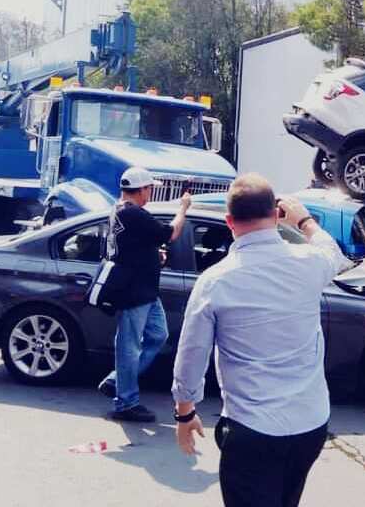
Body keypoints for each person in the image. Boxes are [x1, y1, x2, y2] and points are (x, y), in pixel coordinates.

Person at [172, 174, 348, 507]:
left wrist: (184, 413)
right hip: (310, 424)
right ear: (277, 214)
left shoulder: (216, 281)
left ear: (229, 222)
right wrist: (305, 221)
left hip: (253, 430)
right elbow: (332, 253)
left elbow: (191, 356)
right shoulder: (310, 263)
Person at [97, 167, 190, 422]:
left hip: (146, 289)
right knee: (129, 347)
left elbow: (133, 246)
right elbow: (171, 233)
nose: (151, 193)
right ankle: (126, 402)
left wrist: (153, 255)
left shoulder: (121, 211)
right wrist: (183, 208)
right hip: (133, 291)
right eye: (150, 188)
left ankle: (116, 381)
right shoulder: (133, 213)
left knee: (158, 336)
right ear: (142, 190)